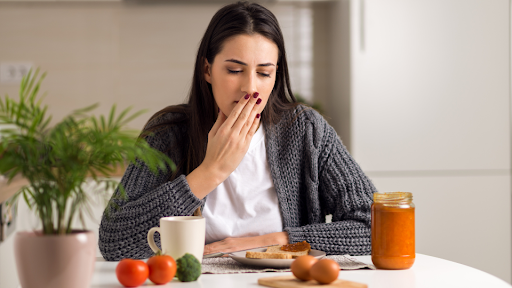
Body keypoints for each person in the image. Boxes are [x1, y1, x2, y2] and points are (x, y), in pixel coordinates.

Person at [99, 1, 376, 261]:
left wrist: (276, 241)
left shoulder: (306, 131)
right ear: (207, 70)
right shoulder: (168, 133)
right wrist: (211, 172)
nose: (250, 88)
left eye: (264, 73)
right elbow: (114, 242)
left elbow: (374, 227)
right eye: (234, 70)